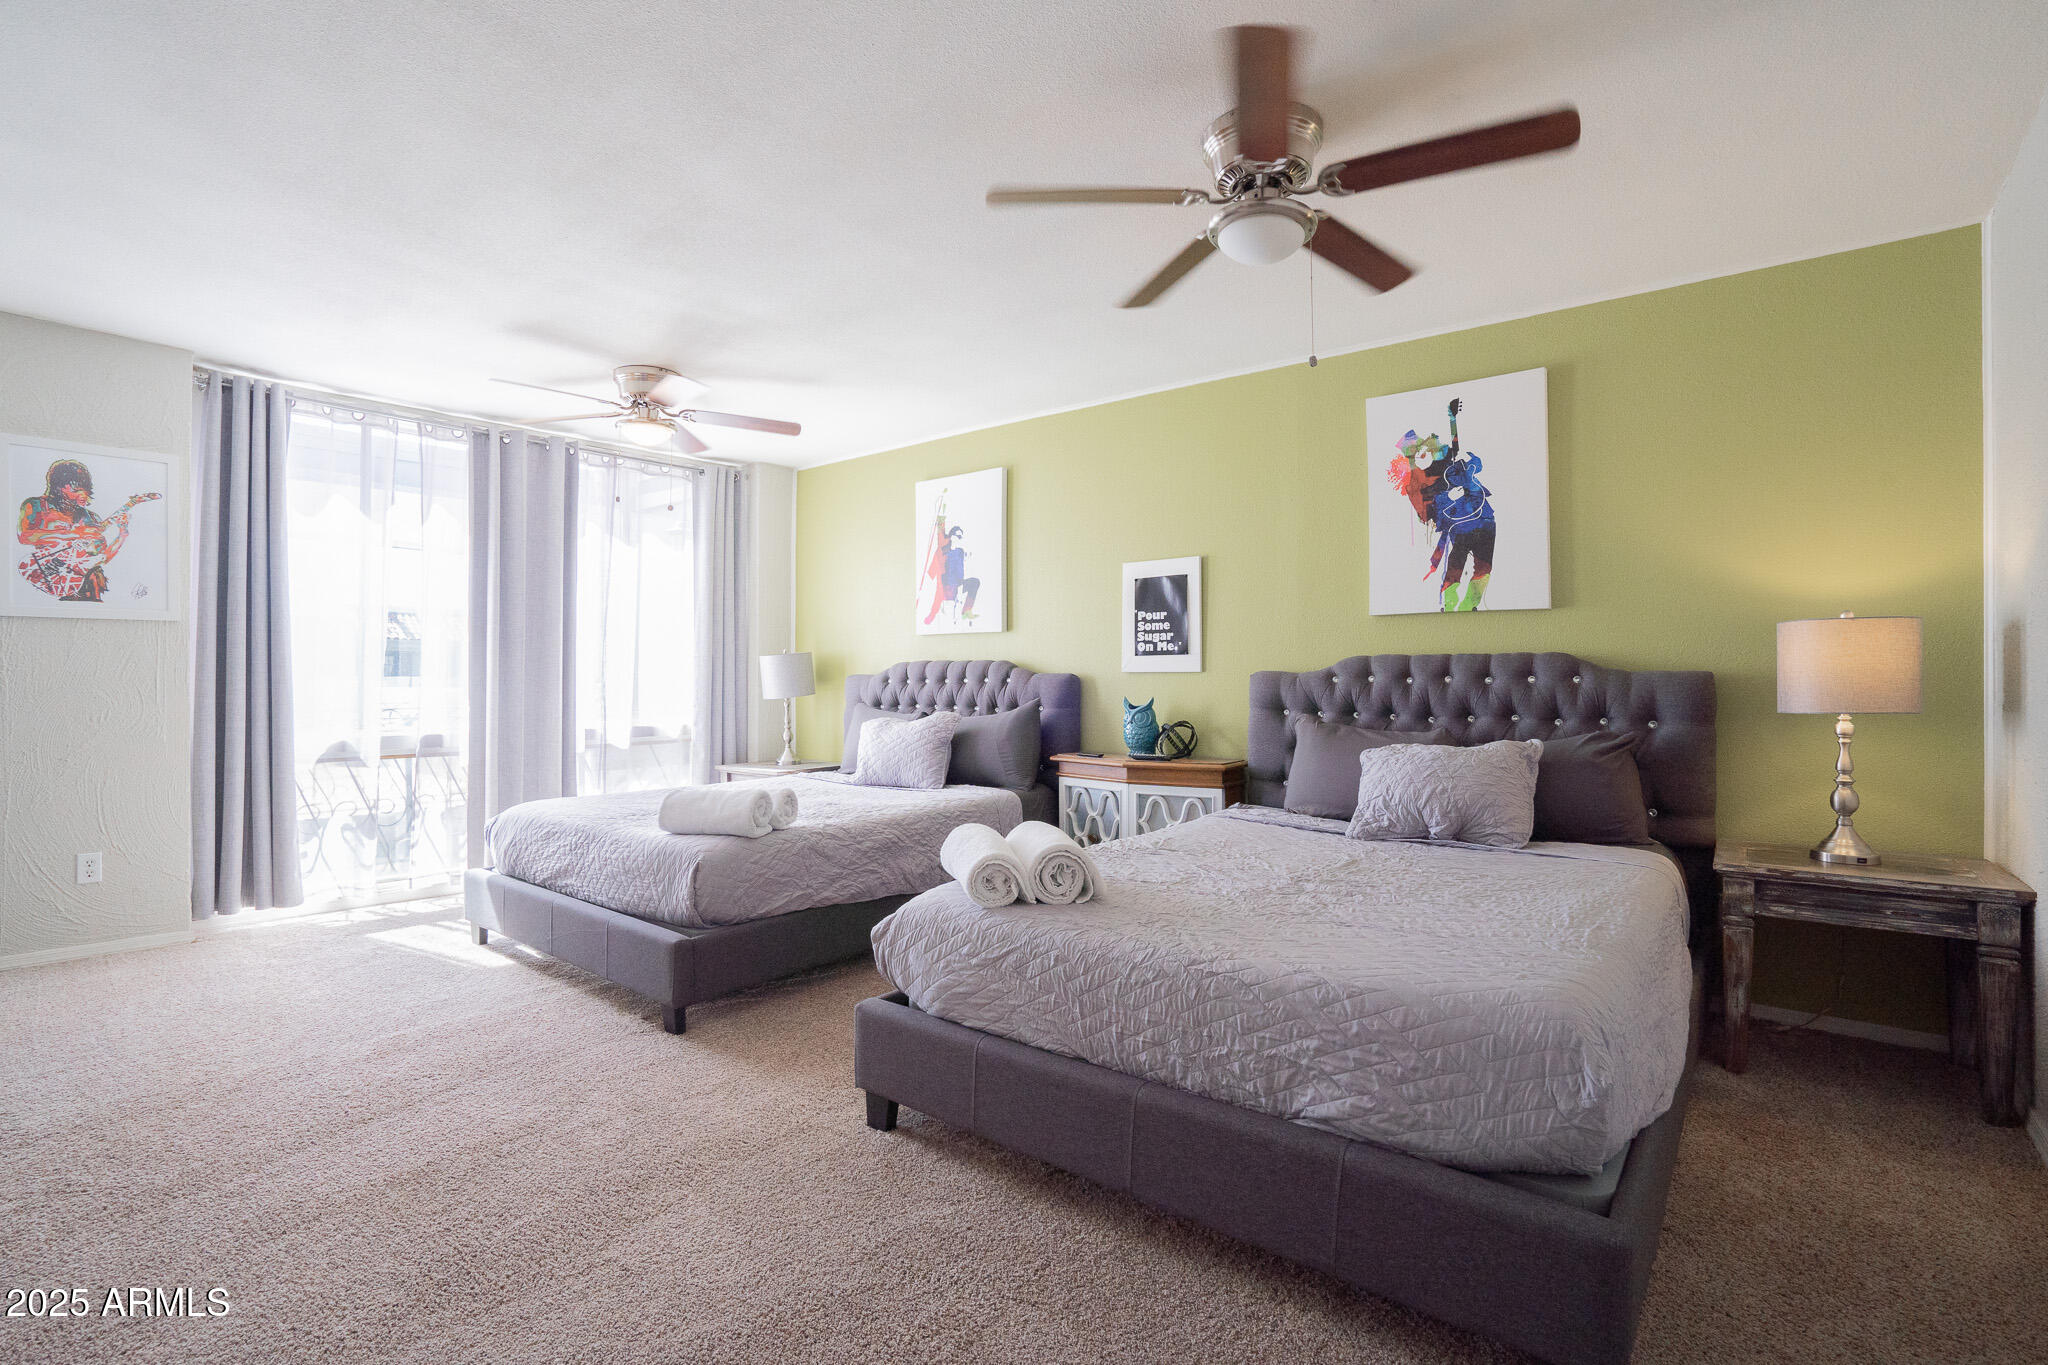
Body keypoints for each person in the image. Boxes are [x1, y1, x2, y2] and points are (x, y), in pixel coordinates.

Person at [16, 458, 127, 602]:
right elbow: (24, 536)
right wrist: (75, 534)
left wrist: (122, 534)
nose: (83, 495)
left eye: (85, 490)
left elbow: (100, 556)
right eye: (76, 490)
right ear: (59, 487)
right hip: (47, 576)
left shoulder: (90, 517)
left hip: (85, 582)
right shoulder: (36, 505)